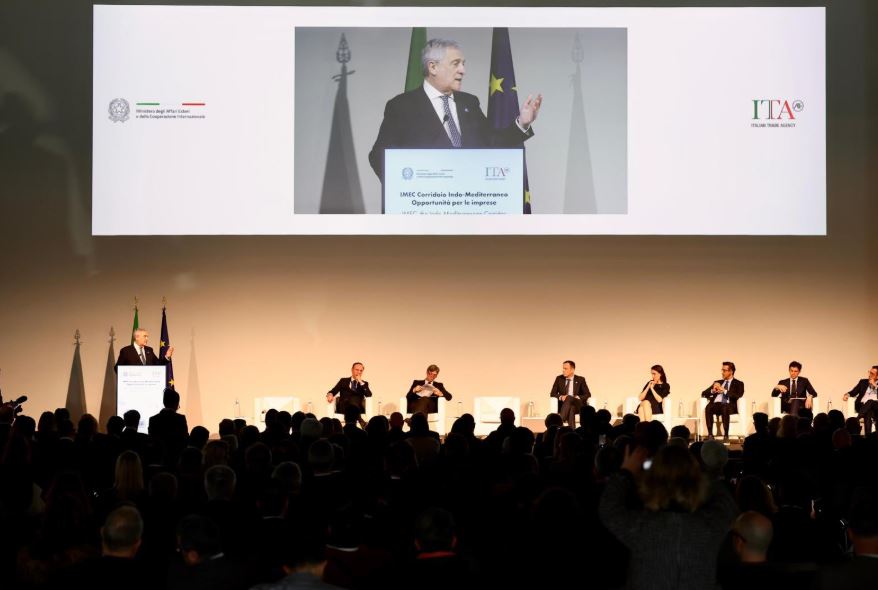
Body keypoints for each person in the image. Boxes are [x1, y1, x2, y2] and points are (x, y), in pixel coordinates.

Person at [368, 38, 542, 179]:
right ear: (433, 67)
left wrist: (522, 123)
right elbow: (378, 157)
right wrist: (405, 191)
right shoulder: (402, 106)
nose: (463, 70)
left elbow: (493, 143)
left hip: (468, 201)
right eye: (456, 63)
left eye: (463, 64)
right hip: (426, 204)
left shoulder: (469, 103)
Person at [599, 444, 738, 590]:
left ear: (651, 482)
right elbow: (727, 505)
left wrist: (626, 473)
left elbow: (609, 509)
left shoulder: (641, 527)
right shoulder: (709, 527)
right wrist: (700, 473)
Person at [702, 361, 744, 441]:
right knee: (708, 407)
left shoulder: (739, 383)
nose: (722, 372)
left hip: (728, 406)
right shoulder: (718, 382)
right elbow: (703, 393)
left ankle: (726, 435)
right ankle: (710, 435)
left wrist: (724, 391)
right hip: (716, 405)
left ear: (731, 371)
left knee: (724, 406)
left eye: (724, 370)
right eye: (722, 370)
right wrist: (713, 390)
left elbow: (738, 395)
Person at [148, 388, 189, 466]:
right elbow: (185, 439)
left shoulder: (153, 419)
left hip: (158, 461)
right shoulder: (181, 419)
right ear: (176, 403)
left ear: (164, 402)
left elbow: (152, 440)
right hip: (176, 461)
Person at [548, 360, 592, 428]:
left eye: (565, 369)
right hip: (565, 406)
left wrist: (578, 397)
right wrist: (561, 397)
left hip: (578, 405)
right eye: (563, 368)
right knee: (571, 408)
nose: (563, 370)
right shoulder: (559, 379)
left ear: (572, 370)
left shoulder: (580, 379)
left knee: (569, 398)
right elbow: (552, 393)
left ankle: (559, 422)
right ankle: (572, 430)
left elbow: (587, 394)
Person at [842, 365, 878, 434]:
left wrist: (875, 385)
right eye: (869, 372)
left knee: (870, 401)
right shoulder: (863, 382)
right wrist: (847, 395)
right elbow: (853, 392)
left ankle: (856, 419)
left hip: (876, 406)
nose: (869, 374)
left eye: (872, 373)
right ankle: (868, 436)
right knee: (868, 413)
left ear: (877, 376)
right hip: (862, 406)